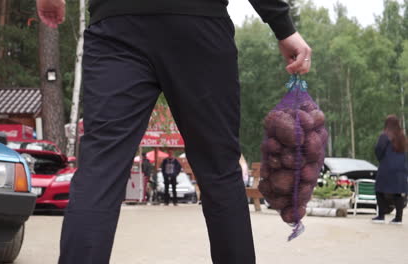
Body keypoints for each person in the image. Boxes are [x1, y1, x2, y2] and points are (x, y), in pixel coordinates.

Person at [37, 0, 312, 263]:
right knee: (219, 169)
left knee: (100, 169)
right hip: (198, 24)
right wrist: (283, 26)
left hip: (116, 25)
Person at [372, 115, 408, 224]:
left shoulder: (385, 136)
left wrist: (381, 160)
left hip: (387, 167)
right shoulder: (402, 137)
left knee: (379, 190)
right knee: (398, 192)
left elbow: (378, 149)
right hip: (401, 168)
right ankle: (398, 218)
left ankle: (381, 216)